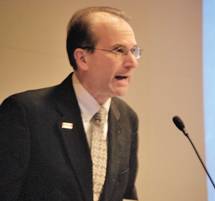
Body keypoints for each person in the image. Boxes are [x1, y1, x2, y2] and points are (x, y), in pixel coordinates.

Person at [0, 6, 140, 201]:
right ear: (82, 58)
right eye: (119, 50)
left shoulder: (126, 118)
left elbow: (126, 195)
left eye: (134, 51)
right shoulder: (25, 113)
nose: (132, 62)